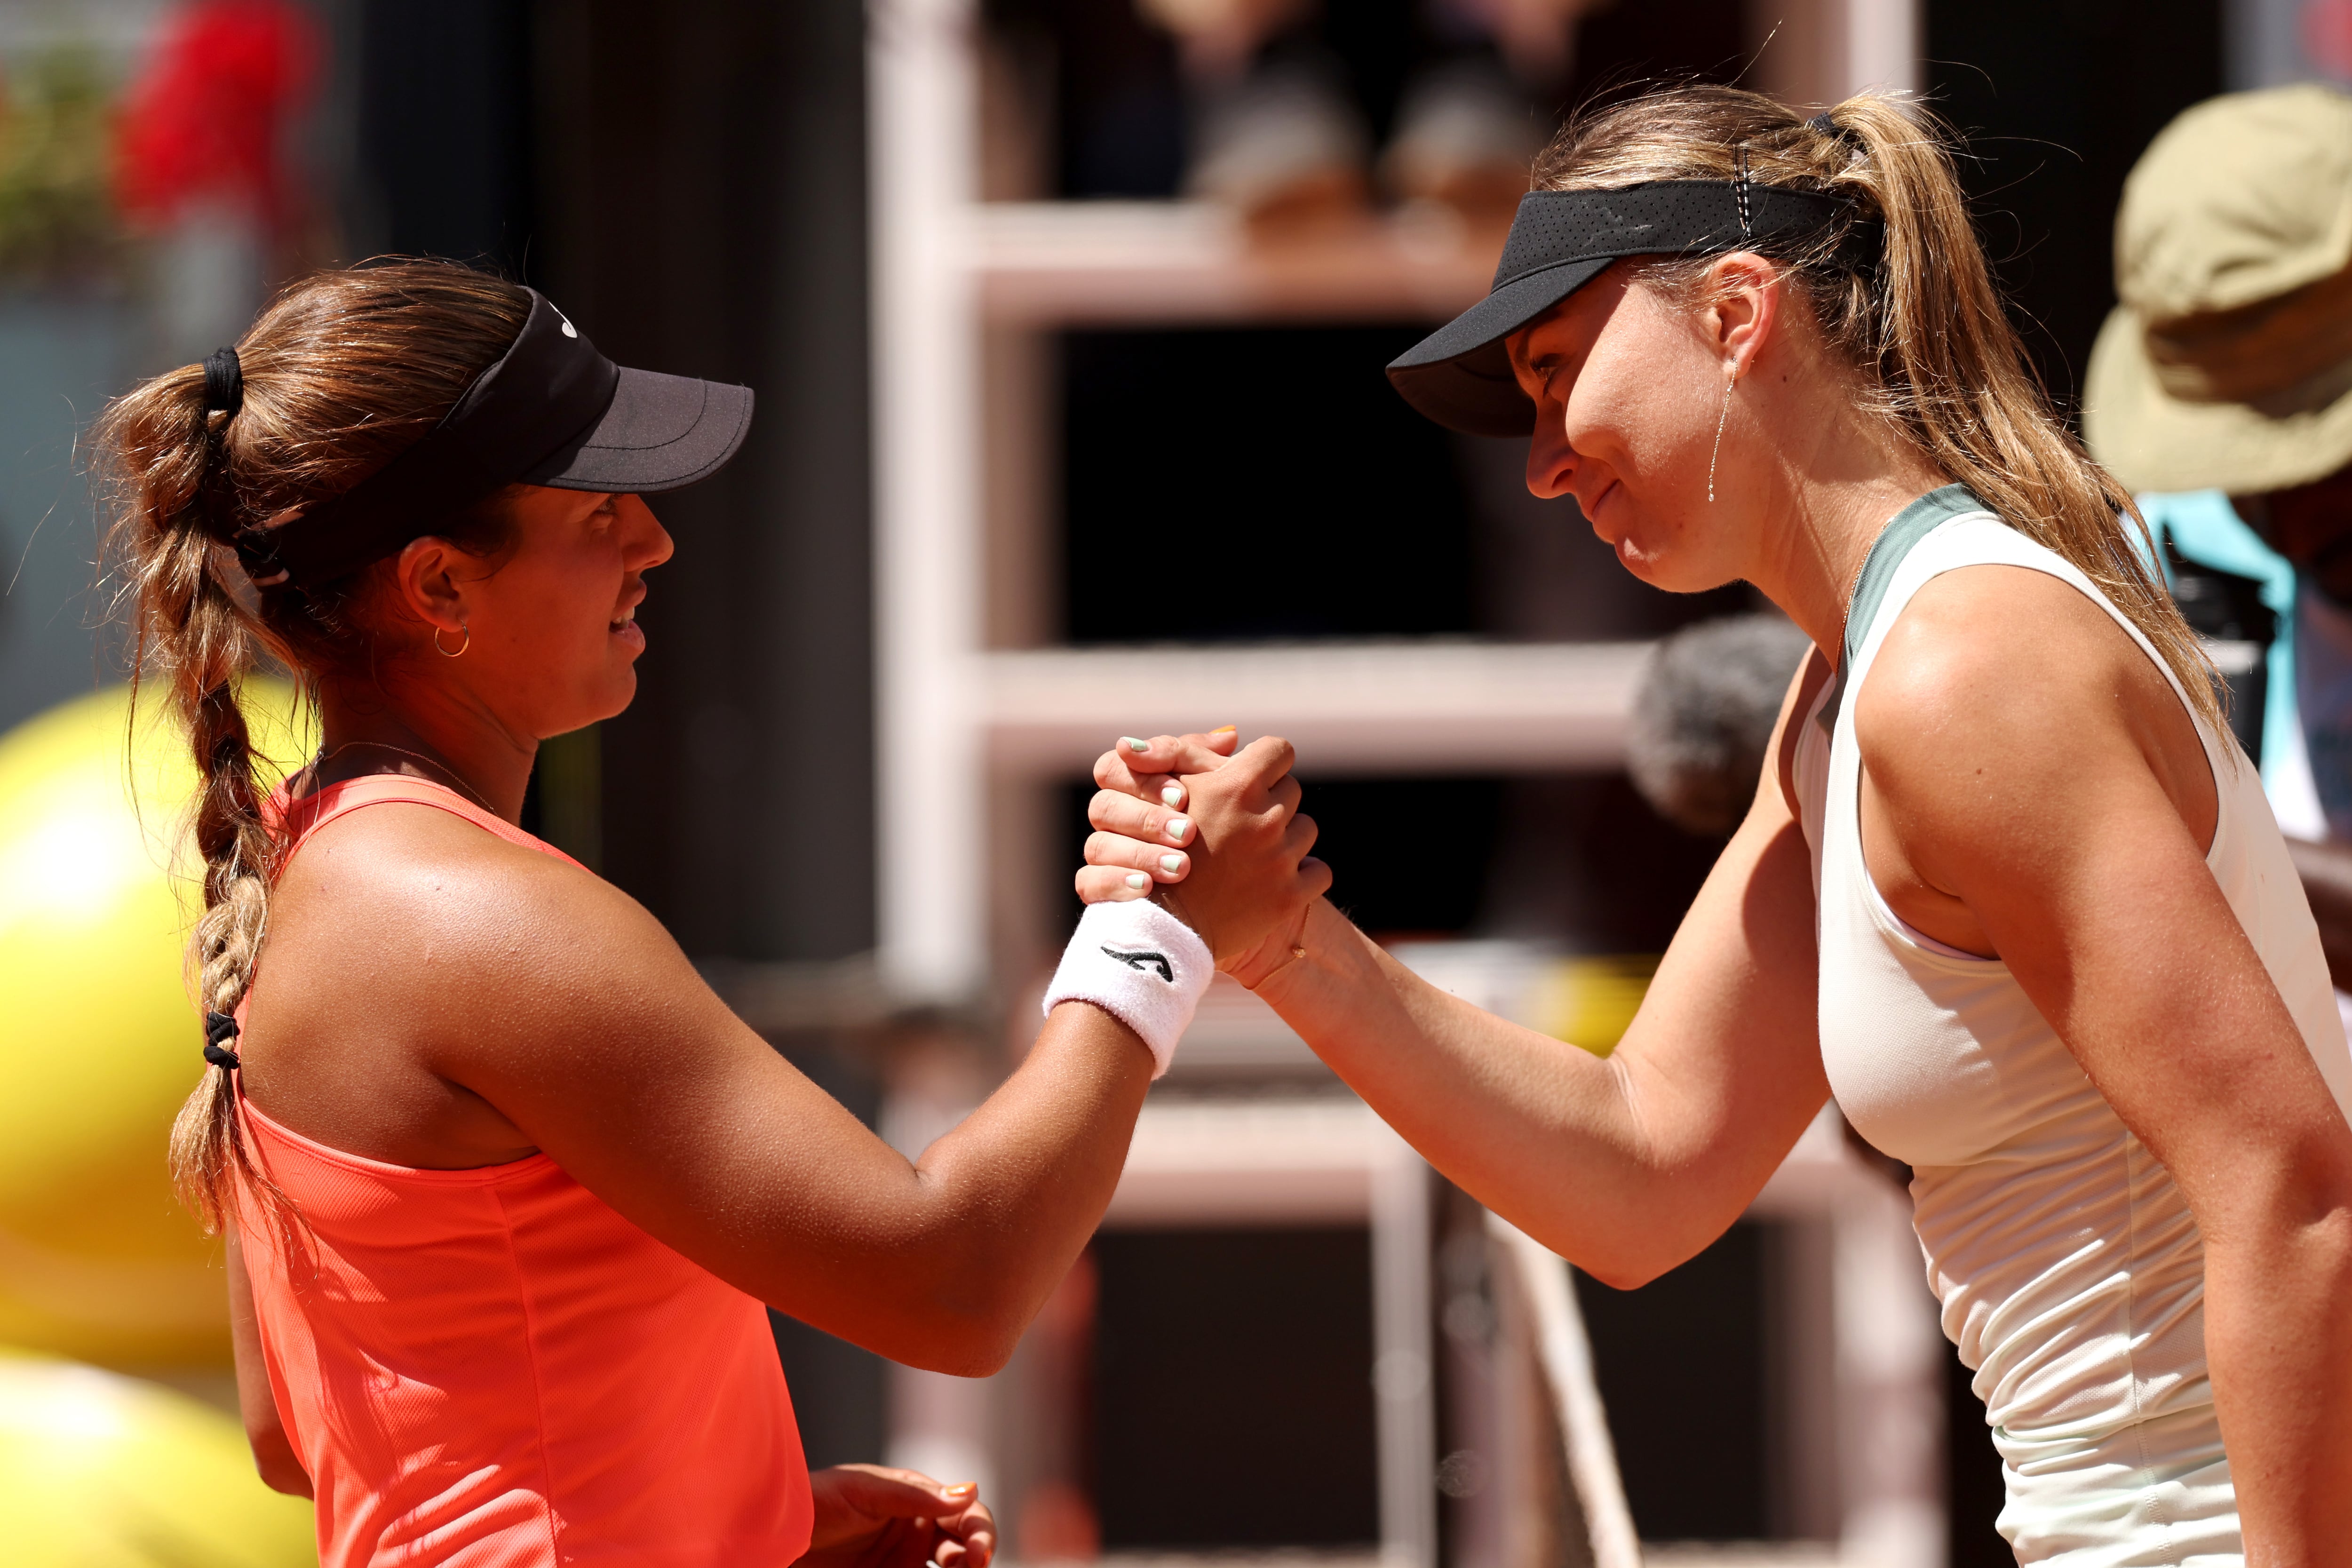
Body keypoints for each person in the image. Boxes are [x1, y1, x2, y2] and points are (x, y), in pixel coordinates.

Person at [1077, 88, 2352, 1562]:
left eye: (1558, 373)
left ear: (1740, 312)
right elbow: (1639, 1171)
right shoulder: (1852, 692)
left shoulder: (1960, 668)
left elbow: (2293, 1188)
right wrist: (1290, 937)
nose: (1544, 457)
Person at [100, 260, 1299, 1568]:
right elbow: (952, 1281)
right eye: (598, 507)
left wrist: (743, 1509)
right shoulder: (477, 917)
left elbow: (301, 1428)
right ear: (439, 586)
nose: (655, 540)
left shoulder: (305, 874)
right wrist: (1158, 931)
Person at [2084, 84, 2352, 1000]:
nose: (2299, 526)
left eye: (2330, 459)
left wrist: (2144, 826)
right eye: (2253, 476)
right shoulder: (2158, 560)